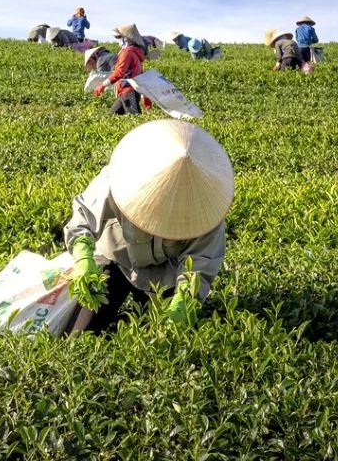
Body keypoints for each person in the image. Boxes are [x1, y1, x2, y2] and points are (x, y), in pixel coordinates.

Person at [62, 119, 234, 332]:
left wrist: (183, 302)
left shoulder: (207, 210)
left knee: (163, 334)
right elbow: (84, 215)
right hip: (117, 259)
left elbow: (199, 265)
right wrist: (83, 257)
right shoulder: (118, 177)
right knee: (80, 331)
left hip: (164, 275)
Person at [95, 24, 149, 115]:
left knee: (135, 120)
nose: (119, 41)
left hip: (128, 91)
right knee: (111, 116)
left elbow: (119, 72)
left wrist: (103, 85)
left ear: (126, 39)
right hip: (127, 92)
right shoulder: (136, 53)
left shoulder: (126, 52)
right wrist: (145, 96)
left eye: (120, 37)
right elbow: (140, 76)